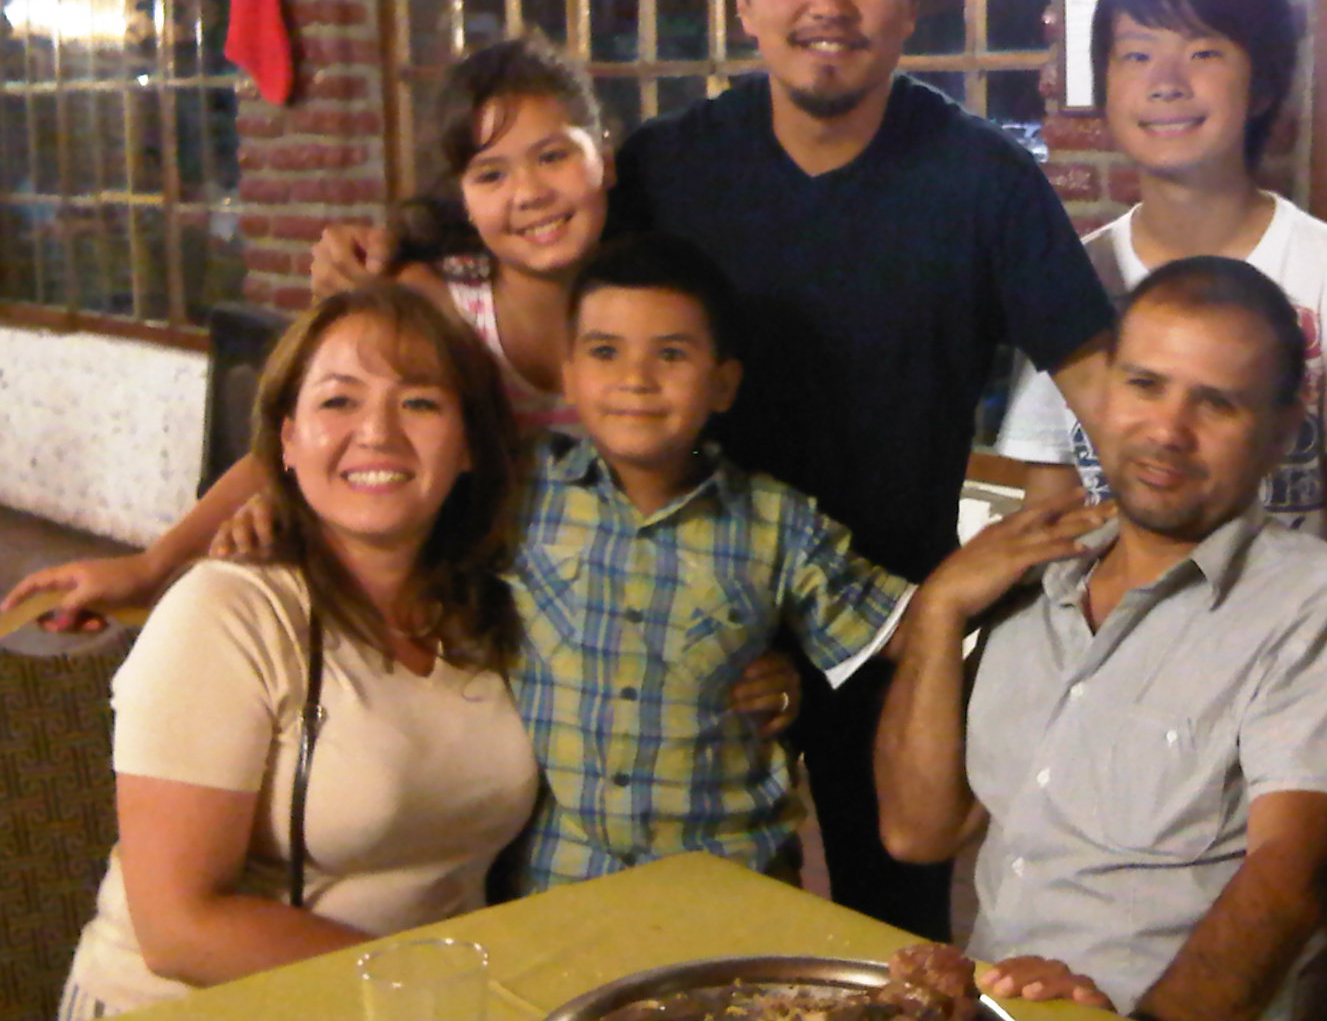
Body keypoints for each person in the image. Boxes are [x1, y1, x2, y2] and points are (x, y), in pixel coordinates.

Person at [608, 0, 1117, 939]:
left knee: (897, 936)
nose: (827, 5)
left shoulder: (982, 180)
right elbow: (547, 338)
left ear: (911, 4)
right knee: (686, 925)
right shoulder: (662, 168)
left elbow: (1107, 394)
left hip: (892, 624)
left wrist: (1148, 571)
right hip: (696, 617)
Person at [2, 37, 798, 726]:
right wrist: (153, 566)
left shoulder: (653, 307)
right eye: (490, 173)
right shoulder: (436, 302)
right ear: (464, 198)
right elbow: (320, 439)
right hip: (460, 626)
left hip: (611, 637)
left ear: (604, 155)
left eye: (554, 155)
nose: (528, 193)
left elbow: (716, 486)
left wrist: (752, 648)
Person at [875, 257, 1327, 1021]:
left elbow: (1291, 879)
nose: (1167, 430)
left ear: (1282, 430)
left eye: (1216, 403)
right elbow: (918, 832)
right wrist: (941, 607)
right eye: (1144, 385)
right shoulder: (1035, 574)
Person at [60, 282, 538, 1021]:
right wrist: (431, 988)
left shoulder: (492, 613)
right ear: (287, 442)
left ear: (470, 443)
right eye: (338, 401)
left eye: (419, 402)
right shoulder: (226, 614)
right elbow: (179, 928)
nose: (376, 432)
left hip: (409, 1020)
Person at [994, 0, 1327, 578]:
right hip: (1106, 621)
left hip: (1282, 626)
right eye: (1137, 55)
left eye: (1203, 53)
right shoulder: (1070, 276)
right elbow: (1048, 513)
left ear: (1262, 85)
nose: (1165, 83)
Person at [511, 234, 915, 892]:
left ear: (722, 384)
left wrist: (974, 586)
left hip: (729, 883)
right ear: (568, 373)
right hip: (553, 885)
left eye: (670, 354)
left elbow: (896, 629)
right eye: (605, 351)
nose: (636, 379)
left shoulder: (778, 523)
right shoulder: (522, 493)